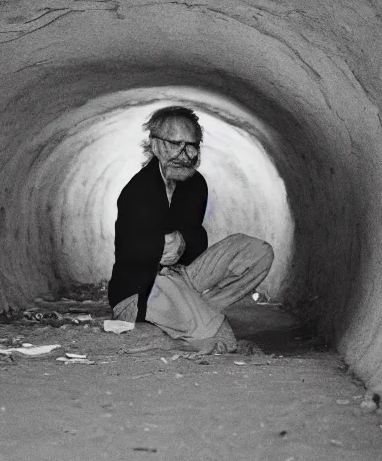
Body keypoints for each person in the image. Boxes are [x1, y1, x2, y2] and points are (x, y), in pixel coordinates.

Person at [107, 106, 274, 354]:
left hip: (182, 275)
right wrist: (158, 248)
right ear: (155, 146)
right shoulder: (136, 191)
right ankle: (184, 322)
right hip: (142, 288)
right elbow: (127, 253)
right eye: (175, 144)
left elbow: (197, 241)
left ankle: (190, 315)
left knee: (259, 253)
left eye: (192, 145)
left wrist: (183, 242)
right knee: (221, 339)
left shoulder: (195, 184)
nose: (184, 155)